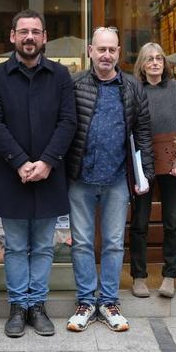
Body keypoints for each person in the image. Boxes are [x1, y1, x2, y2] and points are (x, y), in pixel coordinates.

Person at [0, 9, 77, 338]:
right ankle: (17, 307)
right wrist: (21, 162)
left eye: (35, 32)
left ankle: (38, 306)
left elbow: (69, 122)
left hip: (50, 175)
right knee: (17, 246)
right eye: (23, 31)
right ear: (13, 37)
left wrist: (47, 161)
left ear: (44, 37)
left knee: (44, 247)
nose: (29, 37)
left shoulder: (61, 76)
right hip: (13, 176)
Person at [64, 27, 153, 333]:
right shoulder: (73, 84)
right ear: (90, 51)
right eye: (101, 49)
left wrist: (146, 174)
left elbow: (143, 133)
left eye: (112, 50)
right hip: (80, 177)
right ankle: (86, 302)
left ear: (119, 53)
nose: (106, 55)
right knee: (83, 243)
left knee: (114, 243)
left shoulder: (132, 87)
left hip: (117, 179)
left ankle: (109, 301)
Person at [131, 42, 176, 299]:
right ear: (142, 65)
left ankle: (169, 276)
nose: (155, 63)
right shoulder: (134, 89)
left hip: (172, 161)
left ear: (164, 63)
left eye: (159, 58)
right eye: (149, 59)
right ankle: (139, 277)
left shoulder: (175, 88)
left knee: (173, 221)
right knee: (140, 221)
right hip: (142, 162)